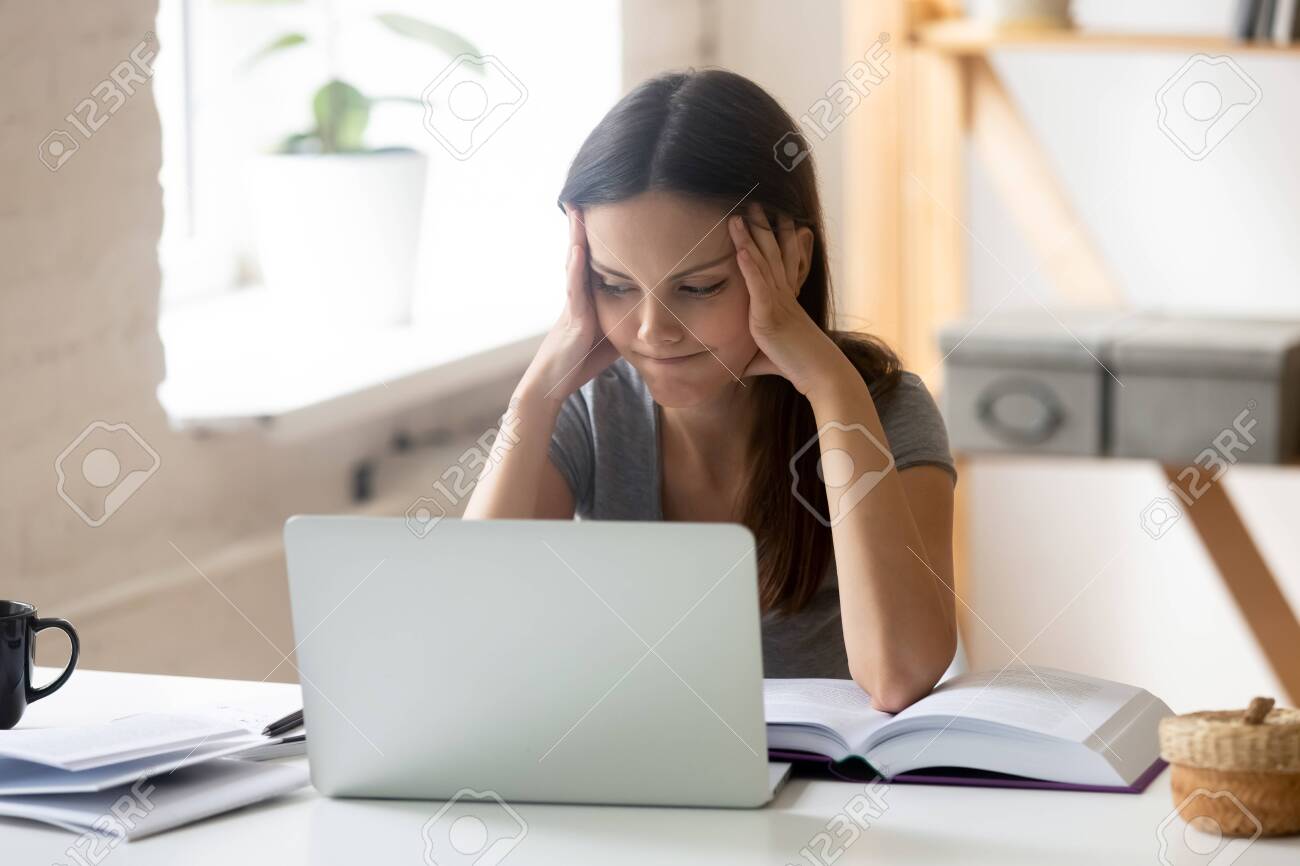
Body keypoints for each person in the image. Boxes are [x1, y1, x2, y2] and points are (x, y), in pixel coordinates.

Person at [464, 68, 957, 712]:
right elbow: (467, 652)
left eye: (697, 288)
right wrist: (533, 400)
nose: (650, 330)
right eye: (614, 284)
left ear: (794, 262)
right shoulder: (593, 411)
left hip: (832, 803)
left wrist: (831, 389)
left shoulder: (884, 411)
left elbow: (898, 676)